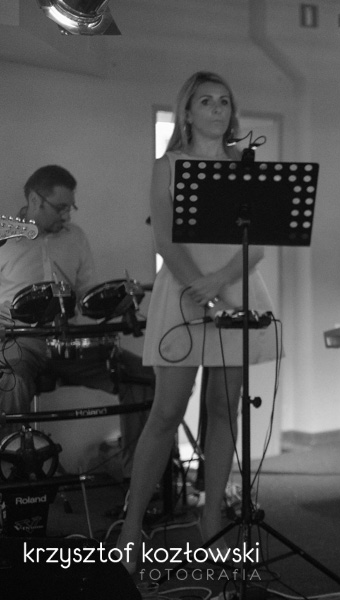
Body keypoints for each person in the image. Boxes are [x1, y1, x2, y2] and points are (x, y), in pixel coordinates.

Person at [116, 71, 279, 571]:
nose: (216, 109)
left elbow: (260, 243)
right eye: (205, 101)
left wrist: (220, 284)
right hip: (183, 294)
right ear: (187, 111)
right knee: (167, 411)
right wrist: (199, 289)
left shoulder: (246, 166)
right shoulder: (168, 166)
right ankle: (131, 527)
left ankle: (211, 519)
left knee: (225, 408)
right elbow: (165, 241)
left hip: (236, 290)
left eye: (224, 101)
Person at [0, 165, 152, 477]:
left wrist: (116, 302)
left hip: (70, 341)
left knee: (144, 377)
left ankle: (137, 478)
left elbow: (86, 297)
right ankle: (14, 478)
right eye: (60, 207)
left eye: (71, 207)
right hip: (21, 341)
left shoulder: (76, 237)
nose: (67, 216)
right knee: (10, 379)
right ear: (34, 199)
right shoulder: (5, 237)